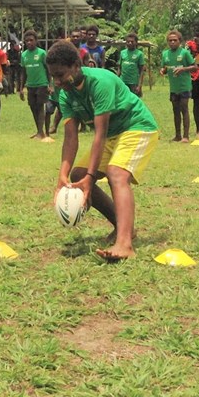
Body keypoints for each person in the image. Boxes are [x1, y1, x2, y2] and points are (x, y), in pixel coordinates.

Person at [46, 41, 159, 262]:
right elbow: (70, 137)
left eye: (61, 75)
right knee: (78, 174)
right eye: (53, 77)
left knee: (116, 173)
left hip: (136, 126)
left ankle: (125, 244)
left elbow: (99, 133)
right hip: (112, 135)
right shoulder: (65, 94)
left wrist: (91, 178)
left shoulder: (100, 82)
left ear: (76, 66)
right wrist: (62, 175)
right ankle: (123, 227)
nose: (57, 82)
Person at [160, 29, 197, 143]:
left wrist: (183, 69)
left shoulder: (184, 53)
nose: (172, 42)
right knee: (175, 110)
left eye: (175, 40)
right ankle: (177, 135)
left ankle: (186, 136)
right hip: (173, 87)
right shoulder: (165, 54)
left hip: (184, 86)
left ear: (179, 41)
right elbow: (165, 67)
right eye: (170, 40)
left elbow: (194, 67)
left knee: (184, 109)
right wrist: (163, 70)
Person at [19, 29, 49, 140]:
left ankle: (41, 132)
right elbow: (23, 72)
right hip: (30, 85)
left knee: (40, 106)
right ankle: (39, 131)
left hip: (41, 83)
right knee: (33, 107)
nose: (29, 43)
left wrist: (50, 85)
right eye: (27, 41)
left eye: (31, 40)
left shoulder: (42, 53)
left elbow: (48, 70)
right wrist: (21, 88)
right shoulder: (24, 55)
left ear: (36, 41)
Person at [117, 32, 145, 96]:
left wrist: (139, 85)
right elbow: (119, 68)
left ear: (136, 42)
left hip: (134, 83)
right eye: (128, 41)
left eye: (132, 41)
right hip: (123, 82)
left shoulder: (139, 54)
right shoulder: (122, 53)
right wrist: (117, 80)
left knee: (134, 100)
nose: (130, 43)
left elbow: (141, 71)